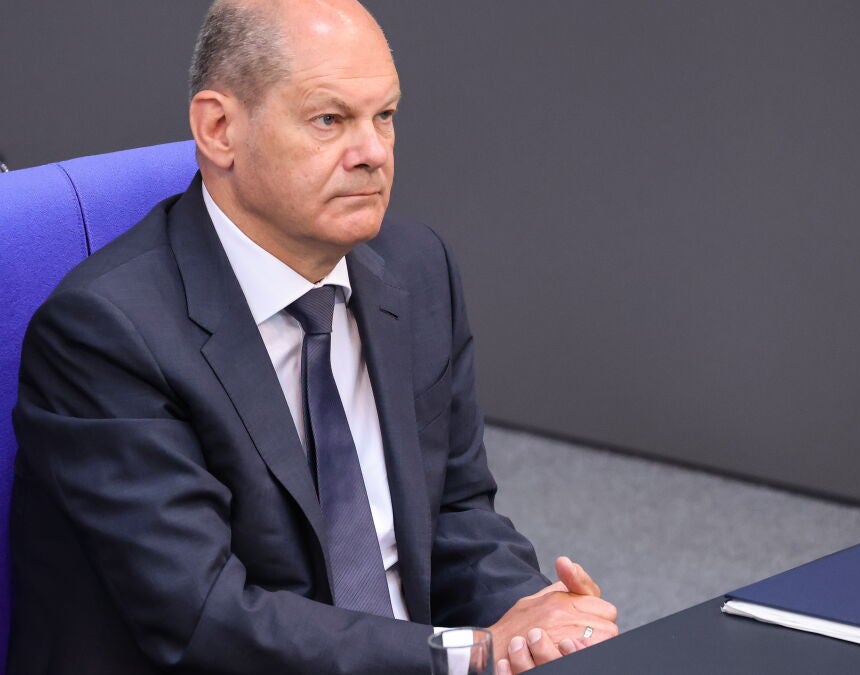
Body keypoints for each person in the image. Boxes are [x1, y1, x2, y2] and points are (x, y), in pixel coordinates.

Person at [7, 1, 617, 672]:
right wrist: (469, 651)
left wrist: (537, 621)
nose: (373, 153)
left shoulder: (415, 268)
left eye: (384, 116)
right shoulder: (106, 333)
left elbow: (455, 511)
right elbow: (205, 617)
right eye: (330, 120)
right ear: (219, 130)